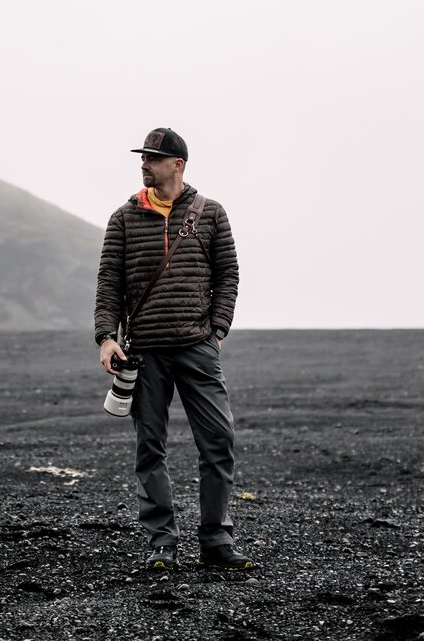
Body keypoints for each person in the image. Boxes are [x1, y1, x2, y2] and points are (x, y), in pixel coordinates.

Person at [94, 127, 253, 572]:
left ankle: (217, 542)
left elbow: (228, 275)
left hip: (197, 347)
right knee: (150, 447)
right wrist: (107, 336)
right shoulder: (123, 218)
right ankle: (161, 543)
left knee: (218, 442)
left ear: (177, 165)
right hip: (145, 351)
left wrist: (217, 329)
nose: (143, 164)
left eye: (152, 158)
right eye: (142, 157)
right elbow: (109, 282)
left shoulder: (211, 214)